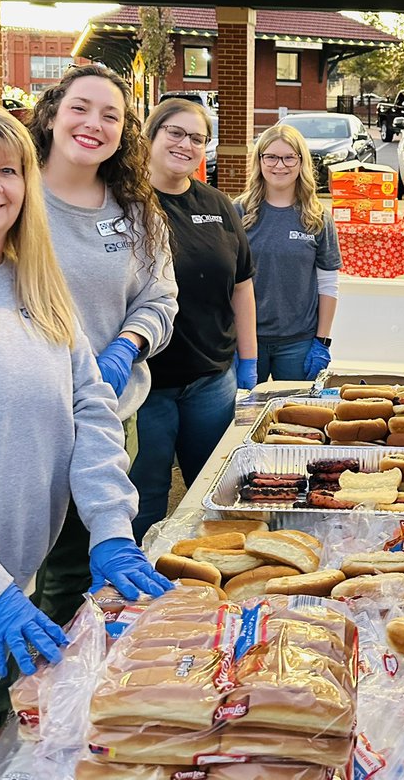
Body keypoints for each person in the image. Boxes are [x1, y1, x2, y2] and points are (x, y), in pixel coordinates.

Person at [0, 105, 170, 780]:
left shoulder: (37, 289)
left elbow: (91, 415)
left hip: (4, 581)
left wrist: (111, 527)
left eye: (9, 171)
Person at [131, 99, 257, 543]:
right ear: (151, 136)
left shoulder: (217, 204)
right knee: (144, 497)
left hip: (211, 381)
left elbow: (242, 285)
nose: (186, 144)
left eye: (198, 138)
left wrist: (249, 362)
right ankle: (137, 578)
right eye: (176, 133)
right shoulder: (124, 202)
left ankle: (207, 571)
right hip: (144, 385)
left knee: (215, 493)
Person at [236, 124, 342, 383]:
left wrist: (322, 342)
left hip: (299, 343)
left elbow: (328, 284)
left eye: (289, 157)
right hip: (247, 341)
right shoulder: (238, 212)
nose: (279, 165)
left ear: (301, 161)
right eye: (271, 157)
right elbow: (226, 281)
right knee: (243, 408)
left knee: (296, 408)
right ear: (259, 160)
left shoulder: (317, 218)